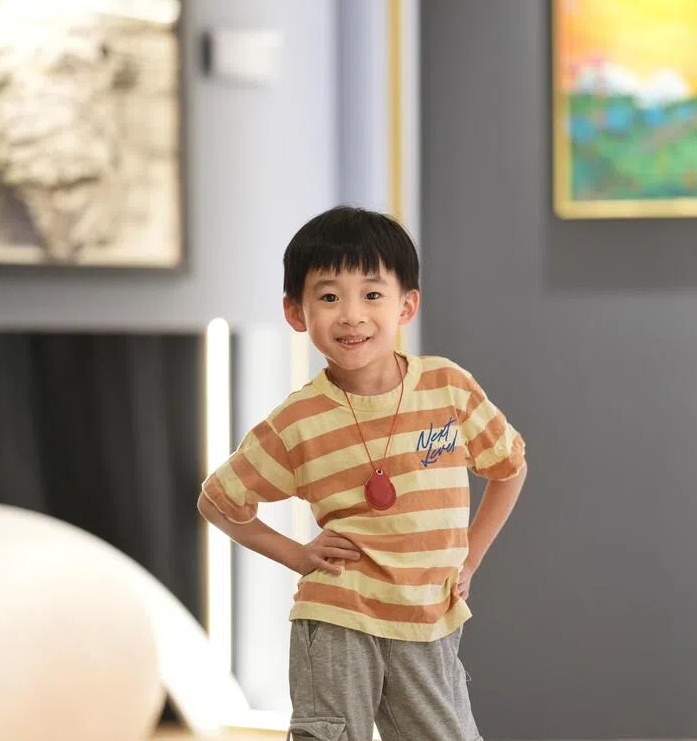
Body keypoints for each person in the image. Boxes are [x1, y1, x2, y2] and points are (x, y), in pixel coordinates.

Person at [198, 205, 527, 741]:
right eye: (329, 297)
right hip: (338, 615)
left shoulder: (447, 388)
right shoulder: (297, 421)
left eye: (372, 294)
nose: (352, 315)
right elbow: (218, 500)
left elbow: (509, 467)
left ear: (407, 305)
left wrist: (470, 557)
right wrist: (297, 556)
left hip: (427, 615)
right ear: (296, 312)